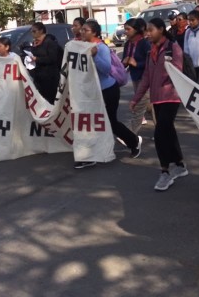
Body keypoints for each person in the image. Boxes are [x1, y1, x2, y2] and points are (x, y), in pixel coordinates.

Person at [130, 18, 187, 191]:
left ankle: (165, 172)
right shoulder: (151, 53)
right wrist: (136, 98)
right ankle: (179, 164)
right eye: (147, 30)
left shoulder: (173, 48)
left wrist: (164, 76)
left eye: (151, 30)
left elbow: (177, 71)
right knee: (168, 131)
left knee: (161, 133)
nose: (147, 33)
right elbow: (146, 77)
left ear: (161, 30)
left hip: (171, 96)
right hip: (157, 98)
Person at [79, 19, 140, 168]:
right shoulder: (83, 46)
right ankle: (91, 154)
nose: (82, 32)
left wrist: (95, 56)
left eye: (85, 30)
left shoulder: (101, 48)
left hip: (108, 90)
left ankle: (134, 142)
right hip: (94, 92)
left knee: (110, 122)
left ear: (94, 33)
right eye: (82, 29)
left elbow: (106, 70)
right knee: (92, 121)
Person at [122, 17, 152, 134]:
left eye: (128, 29)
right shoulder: (127, 44)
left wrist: (136, 63)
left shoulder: (144, 44)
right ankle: (163, 131)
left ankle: (130, 136)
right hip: (135, 79)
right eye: (125, 29)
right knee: (150, 107)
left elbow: (151, 63)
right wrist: (123, 63)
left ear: (136, 30)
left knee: (138, 107)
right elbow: (124, 62)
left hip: (145, 80)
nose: (125, 32)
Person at [27, 22, 63, 104]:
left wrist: (37, 59)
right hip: (38, 76)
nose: (32, 33)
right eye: (31, 31)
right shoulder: (35, 42)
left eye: (34, 31)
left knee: (50, 99)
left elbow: (52, 58)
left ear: (41, 31)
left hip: (50, 77)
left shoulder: (49, 42)